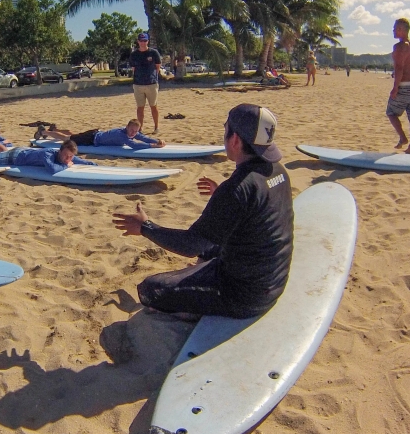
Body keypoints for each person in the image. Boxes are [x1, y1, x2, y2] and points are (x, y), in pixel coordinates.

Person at [113, 104, 293, 318]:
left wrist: (144, 227)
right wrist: (222, 198)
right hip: (274, 278)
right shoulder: (277, 170)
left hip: (246, 296)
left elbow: (190, 244)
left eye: (225, 130)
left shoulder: (237, 190)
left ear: (235, 139)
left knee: (151, 289)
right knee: (208, 250)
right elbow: (256, 209)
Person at [388, 18, 410, 154]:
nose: (393, 30)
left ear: (401, 30)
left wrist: (395, 87)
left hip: (403, 86)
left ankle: (403, 138)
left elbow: (399, 68)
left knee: (391, 113)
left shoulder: (399, 47)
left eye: (395, 28)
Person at [0, 140, 97, 173]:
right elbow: (52, 169)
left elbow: (76, 159)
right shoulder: (47, 154)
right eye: (66, 156)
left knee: (3, 151)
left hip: (24, 151)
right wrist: (66, 165)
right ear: (60, 150)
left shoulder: (66, 155)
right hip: (18, 157)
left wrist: (91, 164)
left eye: (70, 156)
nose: (69, 159)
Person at [35, 119, 166, 149]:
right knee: (66, 139)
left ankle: (52, 129)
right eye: (131, 130)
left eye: (135, 131)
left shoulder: (131, 132)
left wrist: (156, 140)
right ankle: (43, 131)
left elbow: (142, 138)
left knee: (72, 134)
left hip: (94, 133)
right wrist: (154, 146)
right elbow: (134, 146)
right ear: (127, 127)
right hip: (92, 139)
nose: (133, 133)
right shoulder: (122, 134)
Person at [129, 32, 162, 133]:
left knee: (153, 106)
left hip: (151, 84)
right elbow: (133, 68)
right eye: (141, 41)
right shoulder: (134, 54)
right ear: (138, 41)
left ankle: (156, 127)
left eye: (145, 41)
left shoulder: (154, 53)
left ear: (148, 41)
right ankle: (140, 129)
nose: (143, 43)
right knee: (140, 108)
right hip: (138, 84)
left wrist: (152, 77)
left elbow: (157, 67)